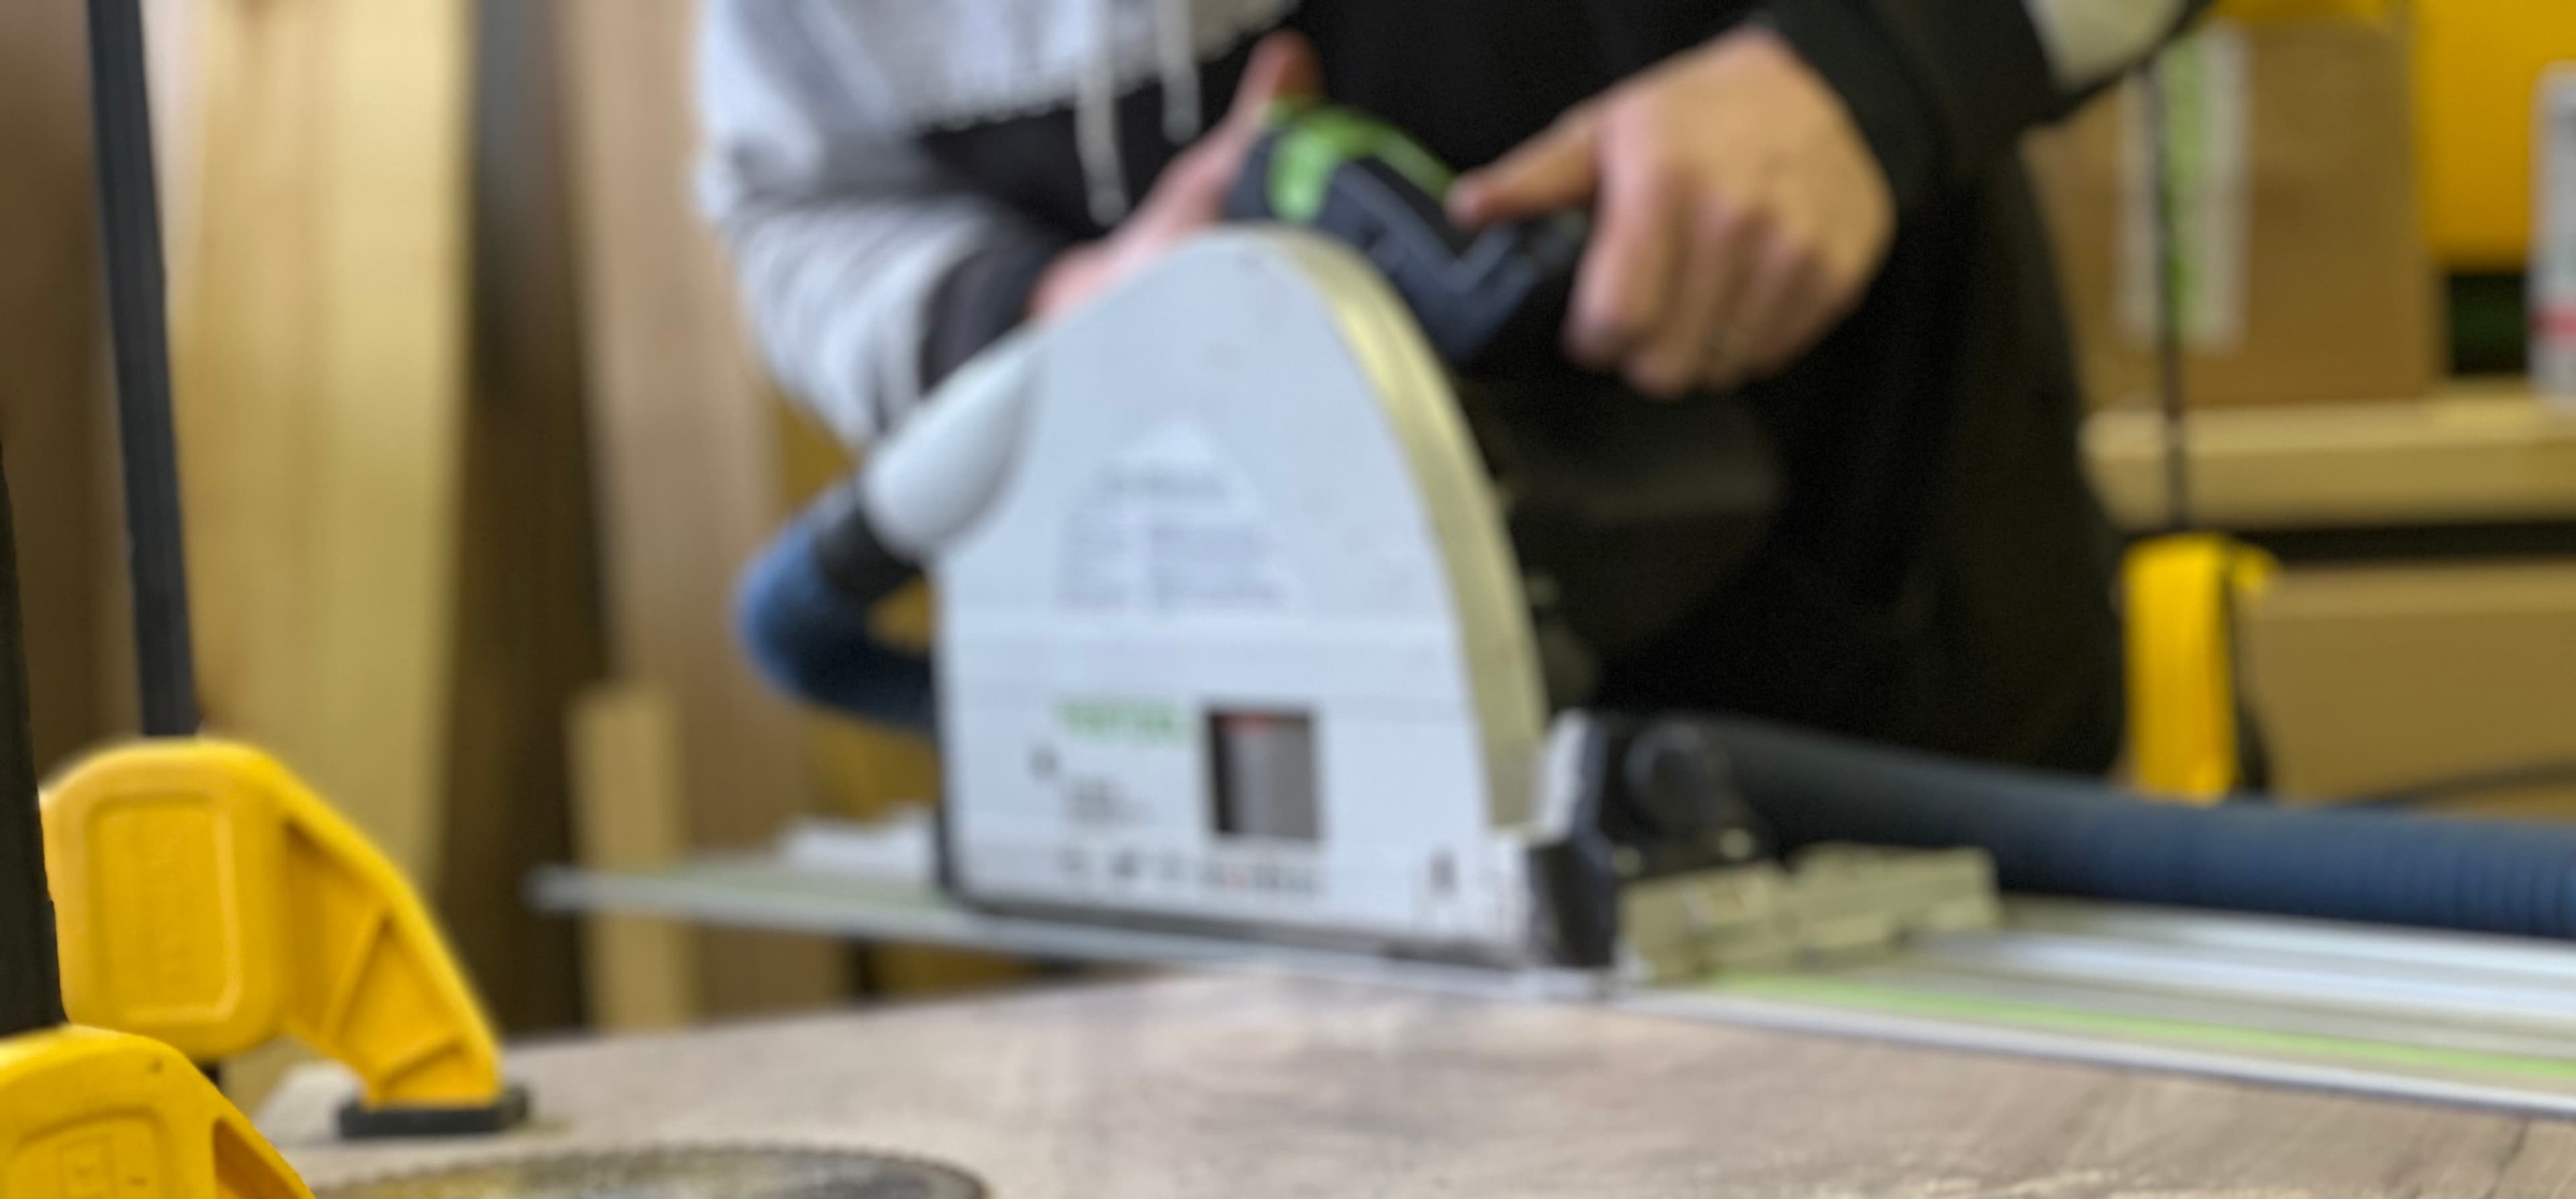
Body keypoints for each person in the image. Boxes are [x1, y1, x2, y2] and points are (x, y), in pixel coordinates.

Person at [699, 1, 2212, 773]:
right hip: (1196, 804)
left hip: (1868, 745)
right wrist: (1055, 316)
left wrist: (1863, 72)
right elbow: (801, 208)